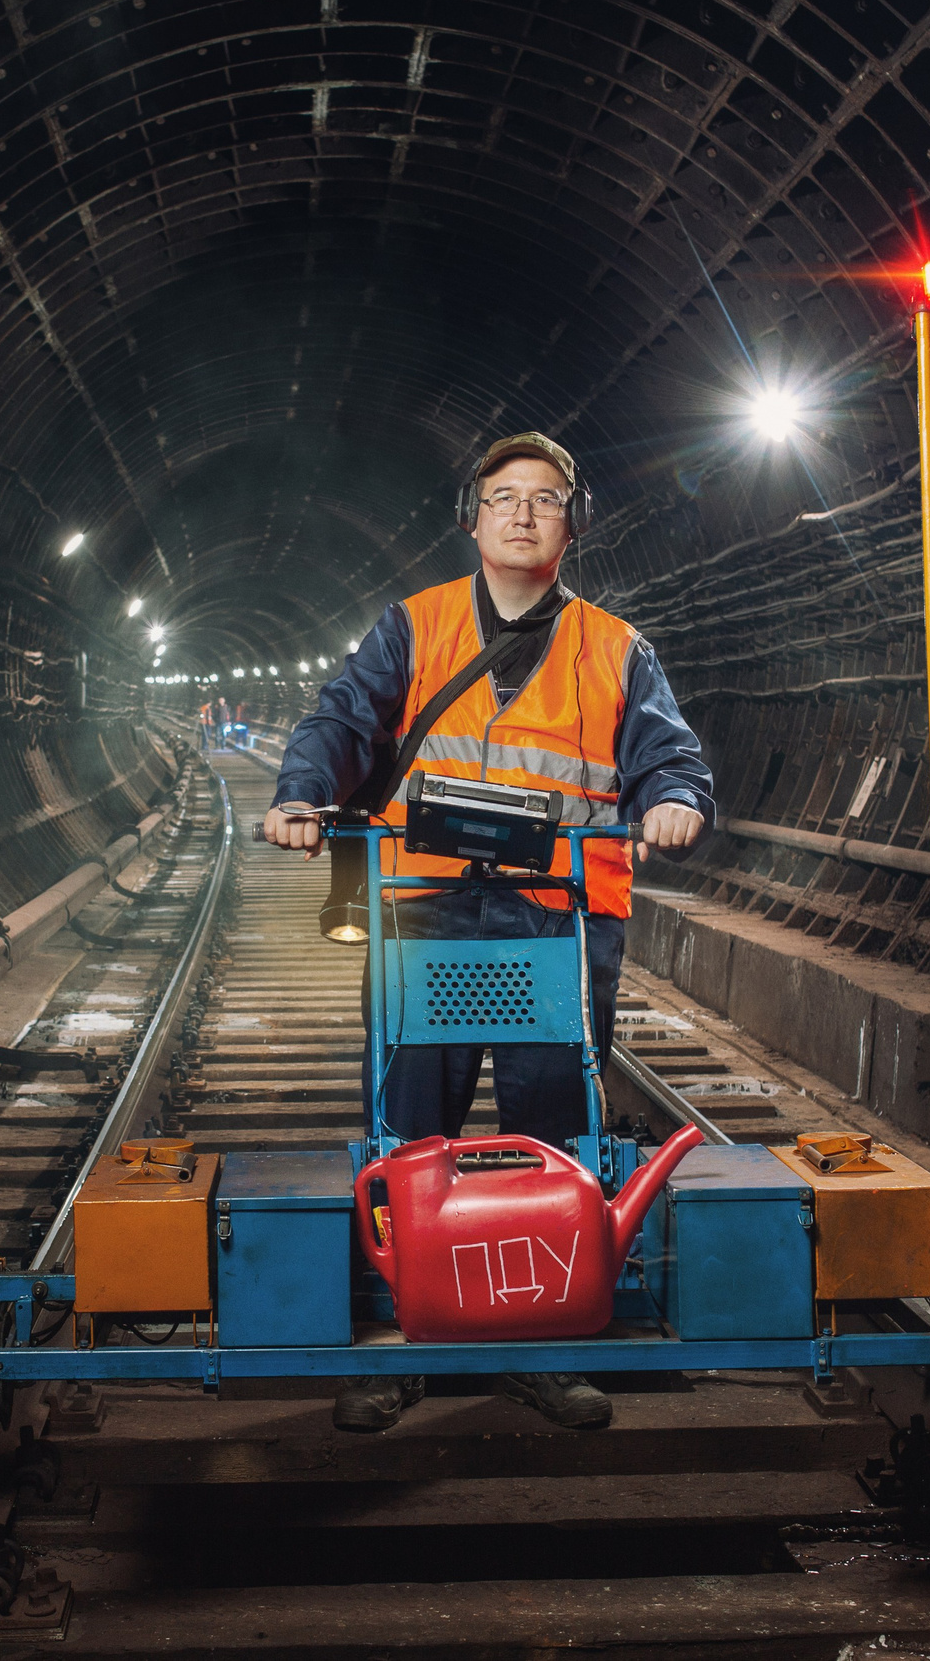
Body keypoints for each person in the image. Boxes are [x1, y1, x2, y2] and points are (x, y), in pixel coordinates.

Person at [262, 431, 713, 1434]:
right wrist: (301, 795)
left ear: (573, 524)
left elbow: (665, 752)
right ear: (471, 518)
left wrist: (675, 800)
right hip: (421, 907)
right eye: (503, 496)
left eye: (544, 498)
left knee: (551, 1137)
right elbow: (341, 721)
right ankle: (405, 1336)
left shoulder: (615, 647)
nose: (521, 513)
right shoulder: (410, 628)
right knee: (408, 1133)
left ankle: (544, 1342)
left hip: (553, 914)